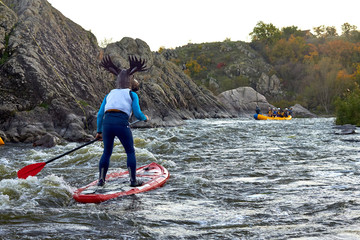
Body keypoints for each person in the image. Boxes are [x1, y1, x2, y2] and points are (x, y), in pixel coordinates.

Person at [95, 55, 149, 187]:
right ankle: (133, 181)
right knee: (130, 151)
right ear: (129, 80)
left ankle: (101, 180)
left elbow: (100, 114)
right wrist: (144, 118)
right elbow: (137, 113)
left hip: (107, 124)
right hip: (121, 124)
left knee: (106, 152)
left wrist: (99, 132)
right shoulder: (132, 94)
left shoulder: (109, 94)